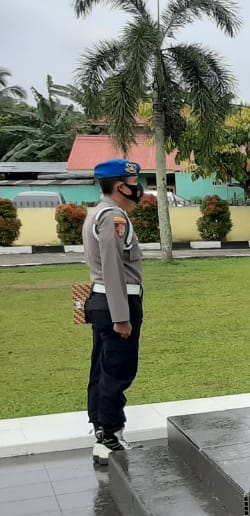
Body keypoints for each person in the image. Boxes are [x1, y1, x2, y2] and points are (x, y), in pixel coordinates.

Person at [83, 159, 145, 465]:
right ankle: (109, 434)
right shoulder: (112, 218)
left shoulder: (98, 213)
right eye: (132, 183)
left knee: (104, 370)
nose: (138, 188)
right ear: (120, 186)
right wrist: (122, 316)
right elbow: (112, 267)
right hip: (115, 304)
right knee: (117, 372)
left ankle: (103, 431)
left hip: (104, 301)